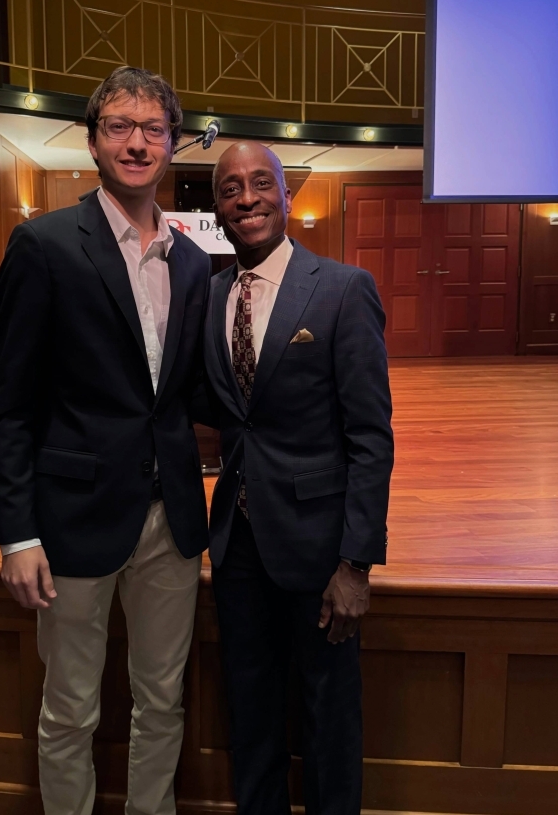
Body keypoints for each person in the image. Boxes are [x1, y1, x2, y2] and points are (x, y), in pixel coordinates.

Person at [0, 66, 211, 815]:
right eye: (120, 126)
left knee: (162, 698)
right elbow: (10, 405)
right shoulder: (44, 244)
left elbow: (183, 394)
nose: (137, 142)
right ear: (92, 140)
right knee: (70, 707)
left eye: (153, 128)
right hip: (73, 517)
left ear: (172, 143)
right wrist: (16, 533)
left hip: (171, 516)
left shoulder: (192, 261)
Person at [202, 141, 393, 815]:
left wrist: (357, 563)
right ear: (217, 206)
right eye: (230, 188)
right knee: (250, 711)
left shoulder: (343, 289)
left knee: (327, 716)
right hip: (237, 544)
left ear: (288, 197)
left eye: (261, 183)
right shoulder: (212, 293)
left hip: (320, 550)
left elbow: (370, 436)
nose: (246, 197)